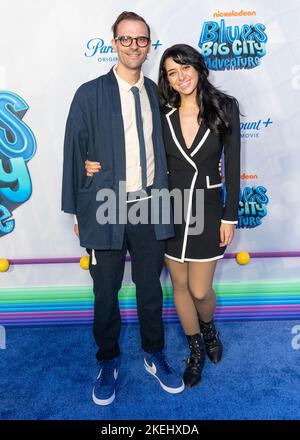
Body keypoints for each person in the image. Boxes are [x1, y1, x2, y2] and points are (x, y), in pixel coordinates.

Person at [86, 43, 240, 388]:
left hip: (207, 210)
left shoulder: (224, 107)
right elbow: (124, 137)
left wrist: (230, 218)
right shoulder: (162, 108)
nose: (180, 76)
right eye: (172, 72)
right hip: (167, 210)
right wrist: (90, 160)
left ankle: (209, 326)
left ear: (198, 68)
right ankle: (195, 347)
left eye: (185, 68)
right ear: (166, 79)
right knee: (180, 288)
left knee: (200, 291)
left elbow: (234, 165)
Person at [61, 12, 184, 406]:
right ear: (113, 43)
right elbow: (73, 153)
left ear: (150, 45)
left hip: (151, 204)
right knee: (105, 292)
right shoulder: (88, 93)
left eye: (141, 39)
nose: (134, 46)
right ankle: (108, 360)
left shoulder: (158, 93)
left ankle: (153, 353)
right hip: (104, 206)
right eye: (126, 39)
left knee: (150, 289)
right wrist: (79, 212)